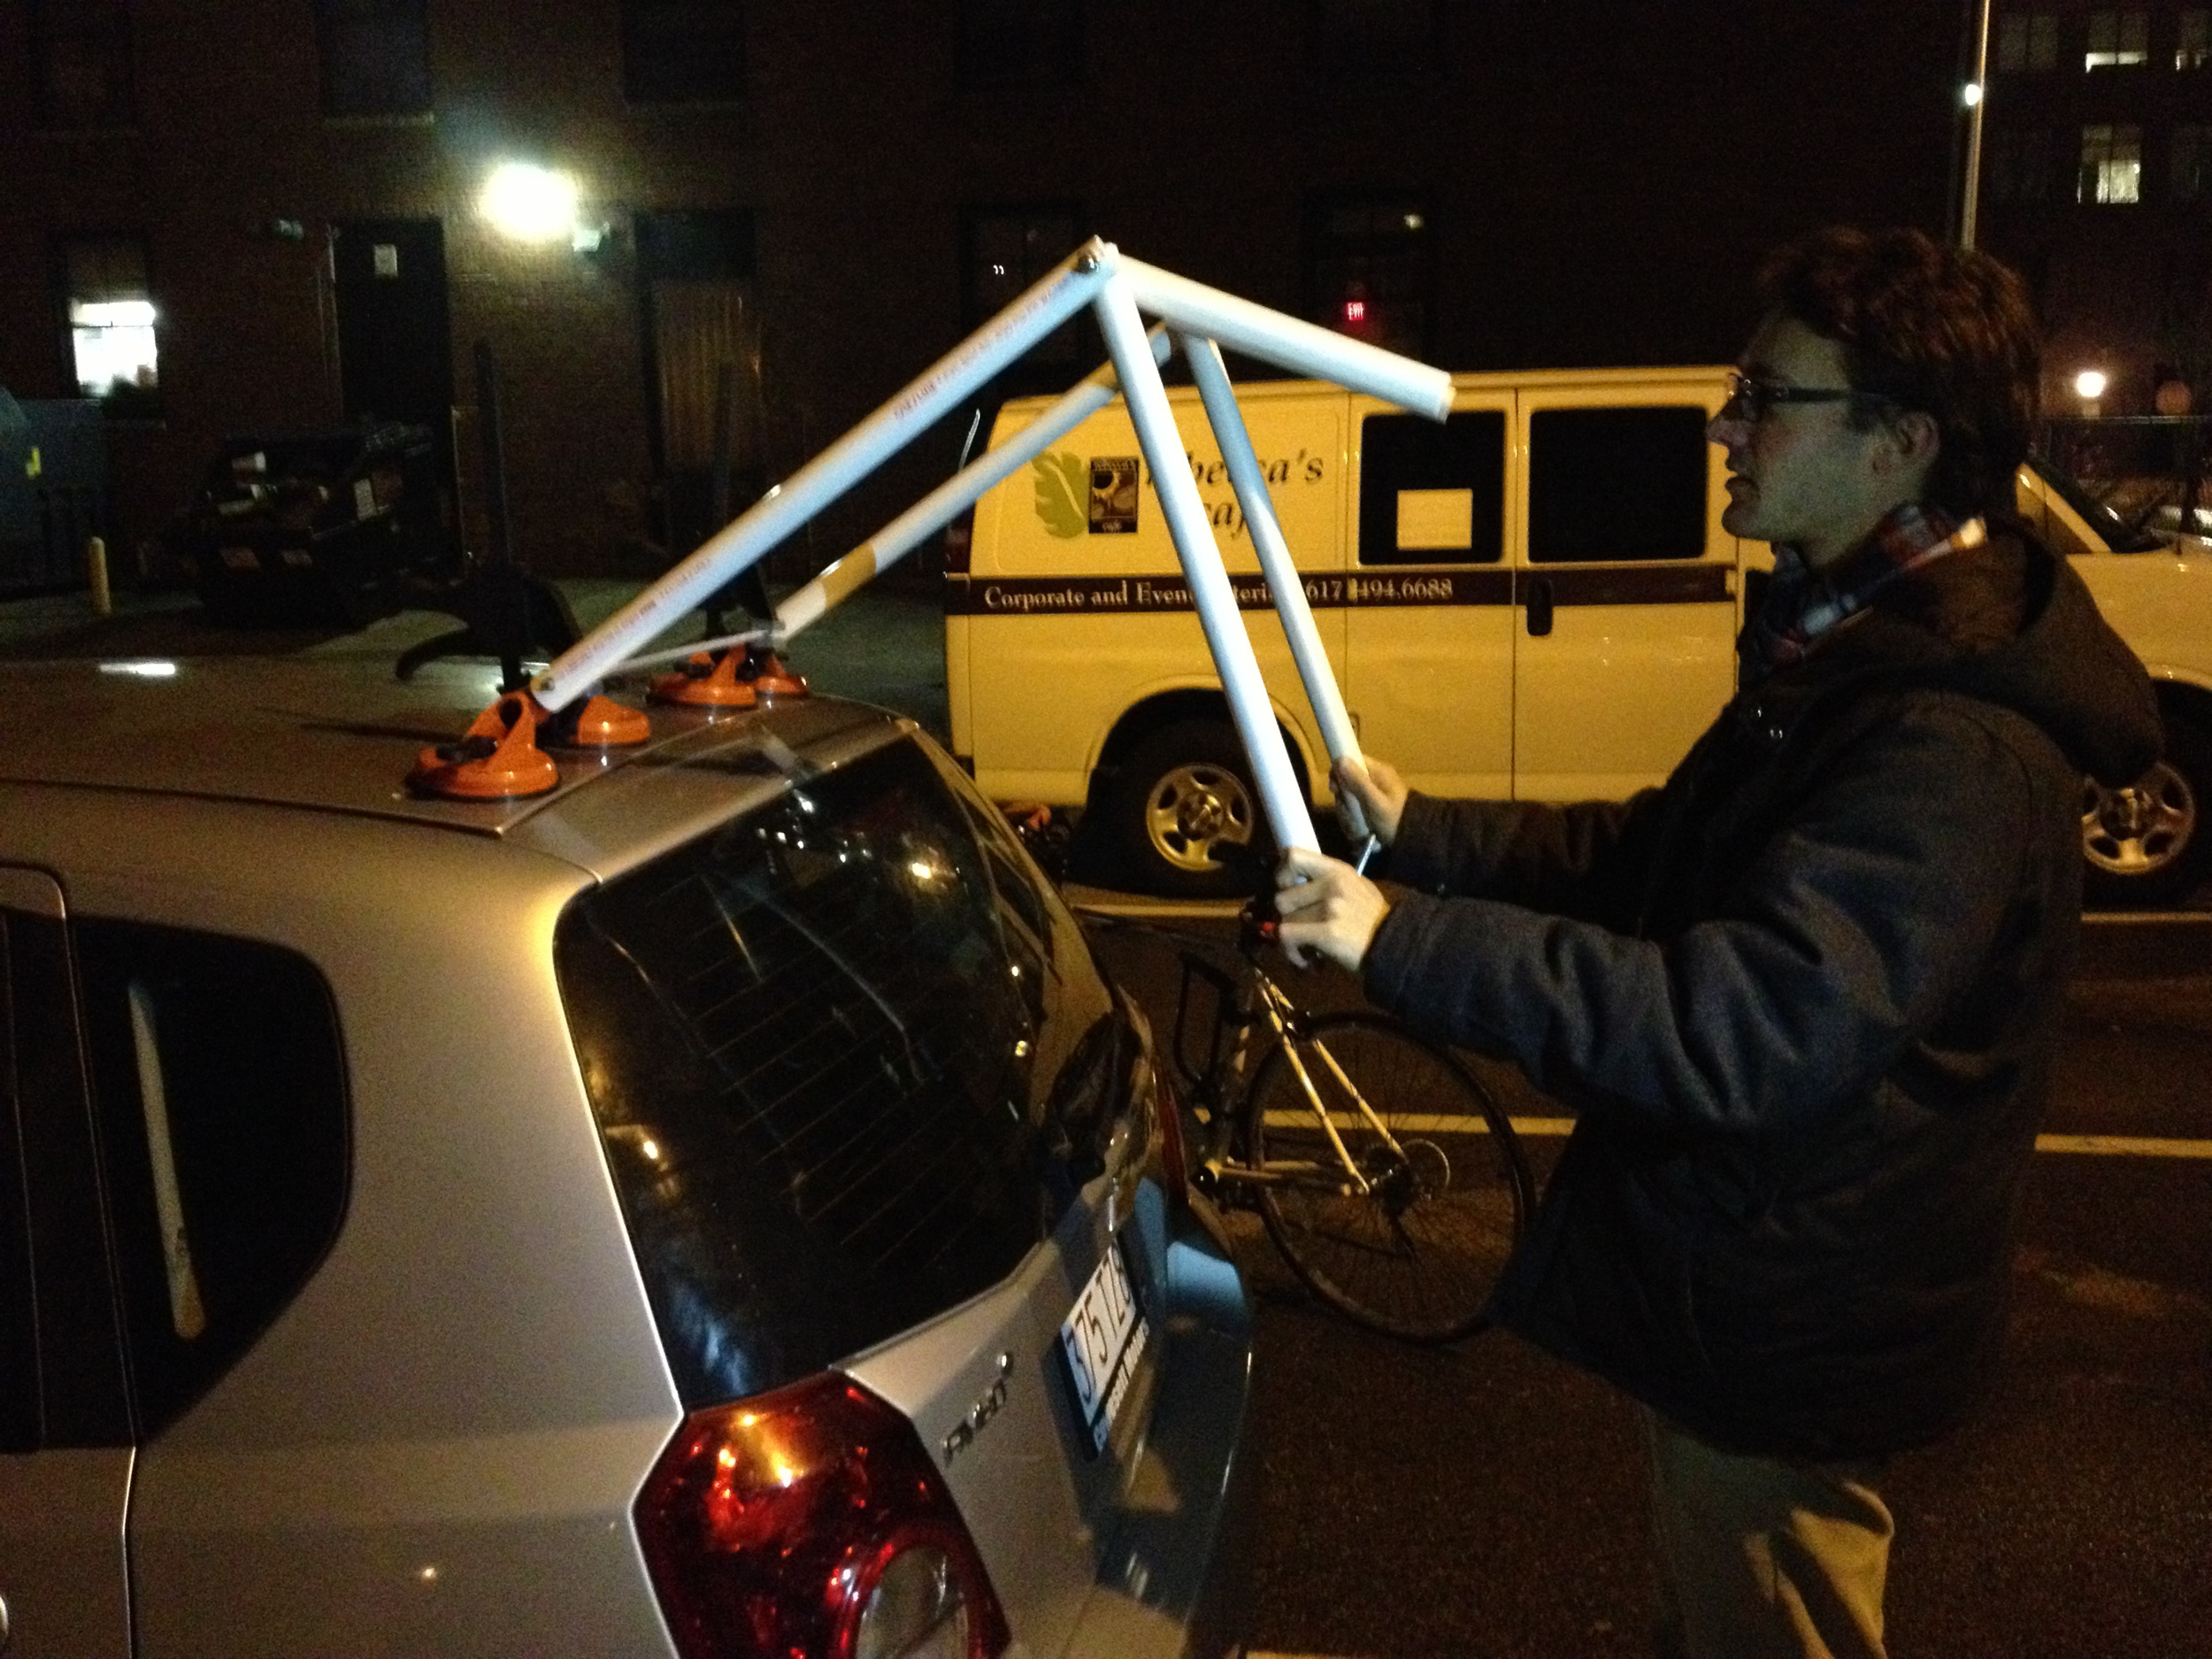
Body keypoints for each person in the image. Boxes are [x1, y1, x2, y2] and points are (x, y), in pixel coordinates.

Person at [1273, 226, 2160, 1659]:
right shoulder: (1853, 644)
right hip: (1763, 1277)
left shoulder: (1947, 737)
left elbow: (1749, 1021)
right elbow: (1661, 858)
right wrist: (1423, 829)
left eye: (1765, 400)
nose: (1724, 427)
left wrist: (1408, 946)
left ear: (1898, 446)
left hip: (1797, 1317)